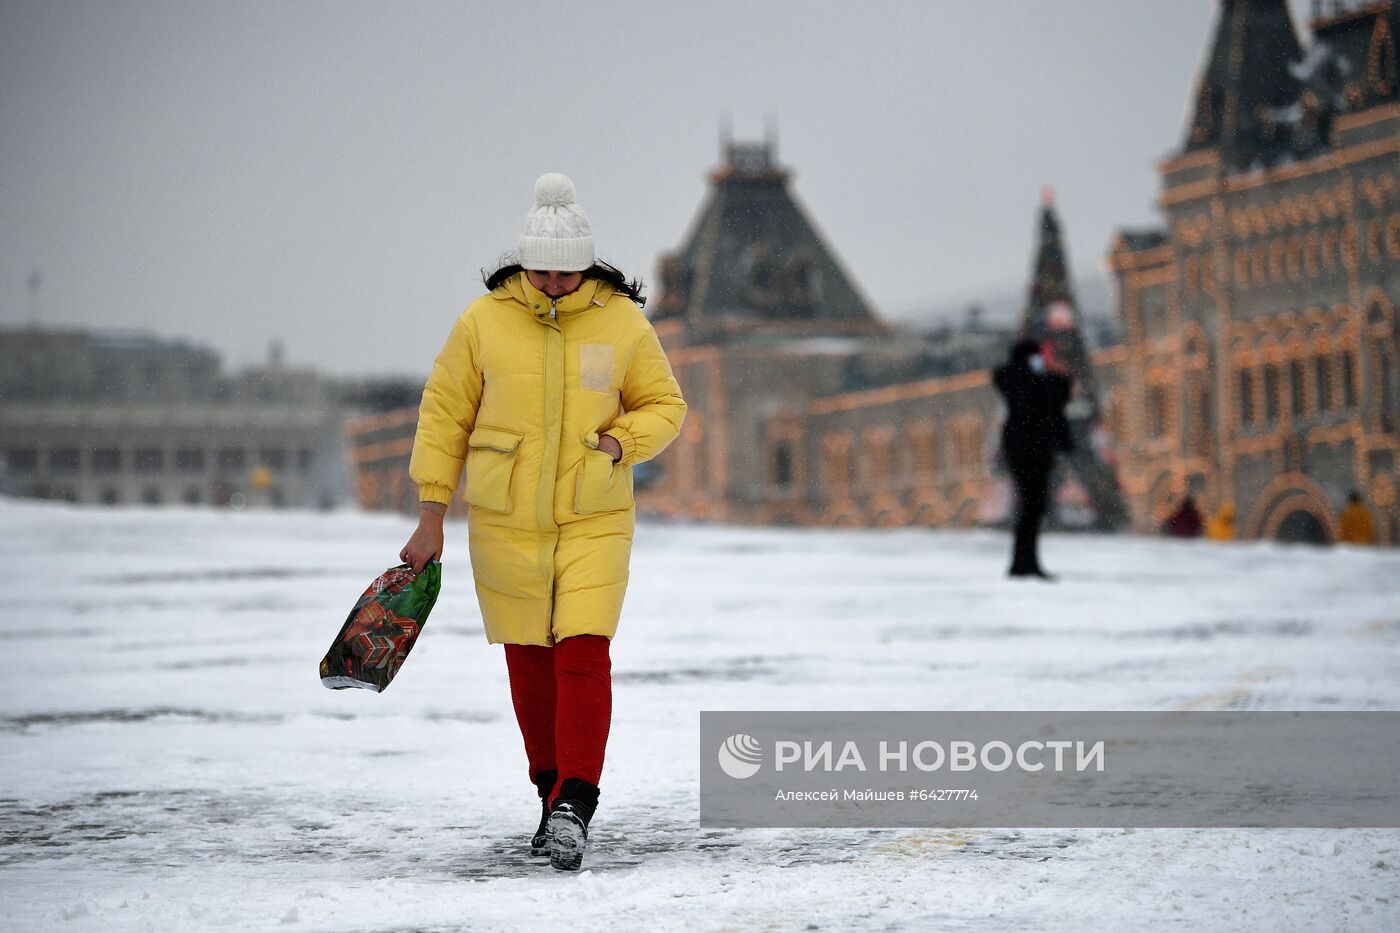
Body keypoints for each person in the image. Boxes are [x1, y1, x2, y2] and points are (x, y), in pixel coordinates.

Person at [399, 174, 687, 871]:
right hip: (504, 520)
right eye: (542, 271)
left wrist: (621, 442)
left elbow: (664, 404)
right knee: (530, 663)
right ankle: (549, 796)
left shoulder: (621, 321)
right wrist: (430, 513)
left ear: (587, 265)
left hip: (594, 514)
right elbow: (444, 417)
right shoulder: (481, 322)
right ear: (522, 264)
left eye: (566, 272)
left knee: (584, 651)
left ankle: (575, 802)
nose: (554, 285)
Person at [993, 338, 1073, 580]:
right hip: (1033, 450)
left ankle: (1024, 561)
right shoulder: (1031, 382)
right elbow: (1054, 398)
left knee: (1030, 507)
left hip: (1022, 448)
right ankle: (1024, 563)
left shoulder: (1016, 380)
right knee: (1032, 506)